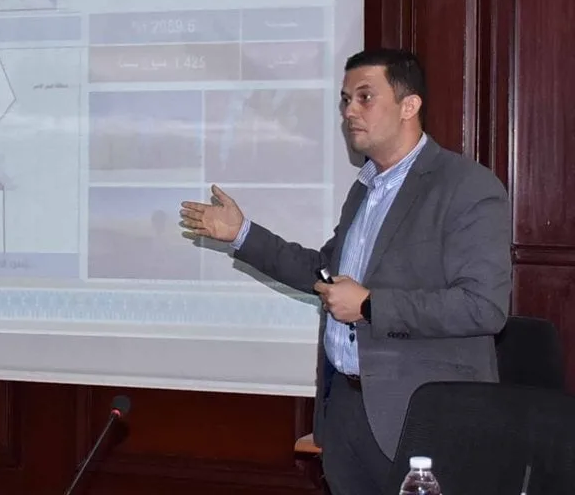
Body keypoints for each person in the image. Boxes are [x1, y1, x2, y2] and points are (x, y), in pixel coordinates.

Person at [179, 48, 511, 495]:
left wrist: (371, 305)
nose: (349, 111)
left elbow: (484, 307)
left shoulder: (466, 186)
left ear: (409, 105)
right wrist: (243, 234)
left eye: (364, 97)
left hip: (420, 420)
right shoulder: (366, 189)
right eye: (345, 99)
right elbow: (326, 275)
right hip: (347, 415)